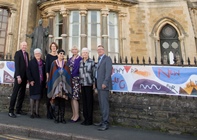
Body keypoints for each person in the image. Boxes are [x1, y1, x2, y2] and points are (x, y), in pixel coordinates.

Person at [47, 49, 72, 124]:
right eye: (60, 54)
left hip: (63, 86)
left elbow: (68, 74)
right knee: (56, 102)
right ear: (57, 55)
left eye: (63, 54)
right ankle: (57, 117)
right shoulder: (54, 63)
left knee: (62, 102)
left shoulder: (66, 64)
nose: (61, 55)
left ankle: (62, 117)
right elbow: (52, 74)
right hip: (56, 86)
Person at [8, 41, 29, 118]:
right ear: (20, 46)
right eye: (23, 45)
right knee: (15, 93)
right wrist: (18, 76)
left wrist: (27, 78)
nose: (24, 46)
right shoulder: (18, 53)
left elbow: (27, 67)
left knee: (22, 94)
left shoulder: (27, 54)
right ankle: (10, 111)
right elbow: (17, 65)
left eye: (25, 45)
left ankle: (18, 109)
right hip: (19, 77)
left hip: (25, 77)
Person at [94, 45, 112, 131]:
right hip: (99, 85)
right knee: (101, 104)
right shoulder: (99, 59)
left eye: (101, 49)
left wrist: (105, 82)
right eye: (98, 50)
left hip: (104, 85)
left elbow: (108, 72)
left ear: (104, 50)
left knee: (104, 104)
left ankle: (106, 123)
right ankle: (102, 120)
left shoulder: (107, 59)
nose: (99, 51)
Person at [27, 48, 46, 119]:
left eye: (39, 53)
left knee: (38, 97)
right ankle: (32, 112)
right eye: (36, 54)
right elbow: (28, 72)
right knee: (32, 97)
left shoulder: (43, 62)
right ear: (34, 55)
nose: (37, 55)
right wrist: (31, 80)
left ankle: (37, 112)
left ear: (41, 54)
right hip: (33, 82)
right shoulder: (31, 62)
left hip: (40, 82)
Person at [79, 48, 95, 126]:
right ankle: (85, 119)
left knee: (89, 102)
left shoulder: (91, 62)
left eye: (86, 53)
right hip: (82, 84)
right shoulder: (81, 62)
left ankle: (89, 119)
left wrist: (94, 83)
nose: (84, 54)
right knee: (84, 102)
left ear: (88, 53)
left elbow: (94, 73)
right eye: (83, 53)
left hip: (89, 84)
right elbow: (80, 73)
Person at [67, 47, 82, 122]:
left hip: (76, 79)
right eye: (73, 49)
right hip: (70, 80)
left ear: (77, 50)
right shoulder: (70, 59)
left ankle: (77, 115)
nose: (74, 51)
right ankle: (73, 114)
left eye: (75, 49)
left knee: (75, 98)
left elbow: (80, 69)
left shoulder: (80, 59)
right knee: (71, 97)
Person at [45, 42, 58, 119]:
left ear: (56, 47)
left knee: (55, 96)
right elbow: (47, 68)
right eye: (52, 46)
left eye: (54, 46)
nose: (53, 48)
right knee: (49, 95)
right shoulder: (48, 56)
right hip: (50, 77)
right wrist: (47, 78)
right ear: (50, 48)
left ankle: (53, 113)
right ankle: (49, 113)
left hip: (56, 78)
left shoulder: (58, 56)